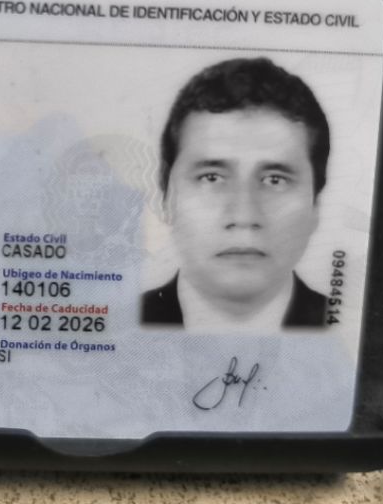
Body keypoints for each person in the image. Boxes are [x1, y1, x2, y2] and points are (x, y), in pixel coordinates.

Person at [141, 57, 329, 331]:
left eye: (275, 180)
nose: (243, 216)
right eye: (211, 178)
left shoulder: (350, 326)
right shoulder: (112, 329)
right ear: (165, 198)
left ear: (315, 205)